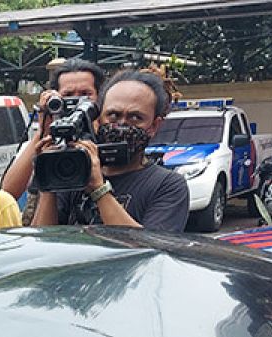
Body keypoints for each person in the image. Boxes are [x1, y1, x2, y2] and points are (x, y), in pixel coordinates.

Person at [31, 71, 190, 232]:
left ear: (154, 126)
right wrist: (48, 178)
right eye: (113, 115)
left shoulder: (168, 185)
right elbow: (43, 239)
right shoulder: (75, 171)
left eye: (135, 118)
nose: (121, 124)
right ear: (98, 118)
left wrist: (99, 189)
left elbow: (150, 248)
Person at [1, 58, 106, 219]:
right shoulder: (47, 143)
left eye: (86, 94)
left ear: (99, 98)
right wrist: (43, 131)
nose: (77, 101)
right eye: (68, 95)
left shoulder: (109, 137)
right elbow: (7, 193)